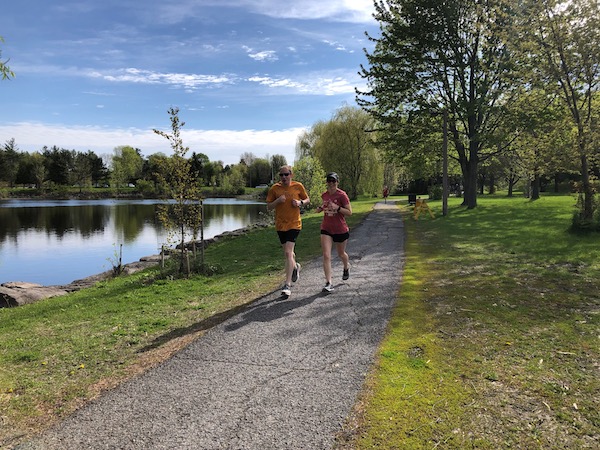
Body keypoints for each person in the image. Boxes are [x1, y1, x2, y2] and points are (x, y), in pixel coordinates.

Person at [266, 165, 310, 297]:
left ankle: (287, 285)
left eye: (286, 174)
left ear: (291, 175)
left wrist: (300, 203)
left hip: (294, 224)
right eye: (281, 175)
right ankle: (295, 267)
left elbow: (307, 200)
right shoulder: (275, 189)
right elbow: (268, 207)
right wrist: (278, 201)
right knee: (289, 254)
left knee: (287, 252)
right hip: (280, 225)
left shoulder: (298, 186)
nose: (284, 177)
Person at [316, 172, 352, 293]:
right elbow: (325, 204)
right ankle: (328, 283)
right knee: (326, 255)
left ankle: (346, 266)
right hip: (326, 228)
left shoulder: (342, 195)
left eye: (333, 181)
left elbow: (349, 212)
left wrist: (338, 208)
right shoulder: (324, 195)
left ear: (337, 182)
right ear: (326, 182)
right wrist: (321, 208)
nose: (331, 183)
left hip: (340, 229)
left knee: (341, 254)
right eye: (329, 181)